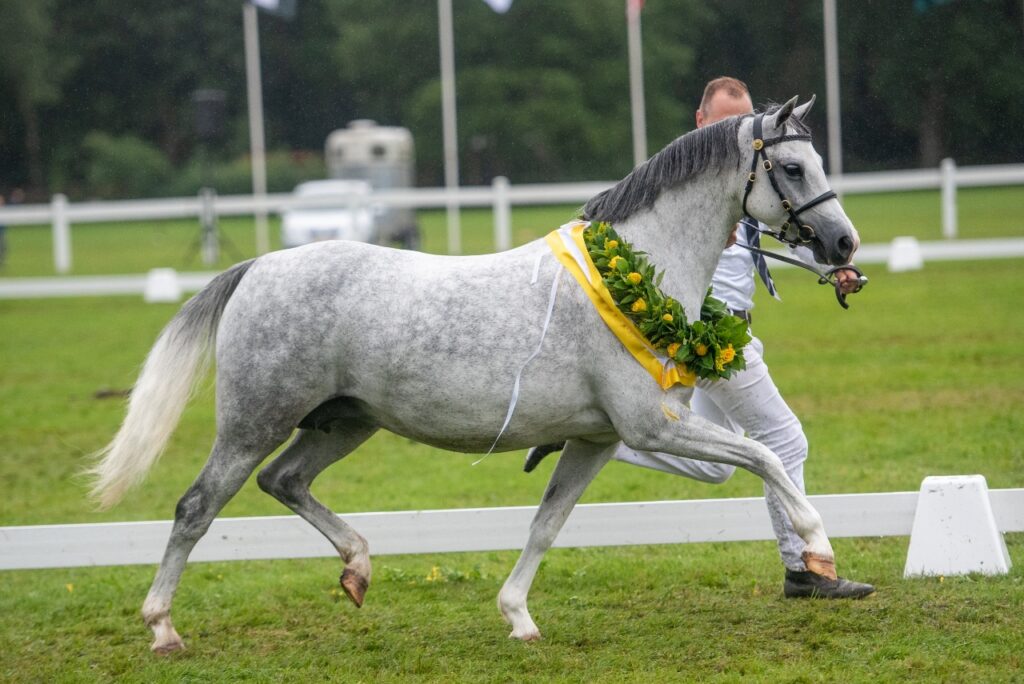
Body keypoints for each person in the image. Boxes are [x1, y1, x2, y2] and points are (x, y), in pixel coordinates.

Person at [525, 77, 873, 600]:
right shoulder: (685, 184)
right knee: (783, 437)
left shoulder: (754, 180)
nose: (742, 129)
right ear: (701, 122)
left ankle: (581, 433)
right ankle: (802, 568)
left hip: (734, 328)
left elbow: (789, 225)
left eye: (747, 118)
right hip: (707, 332)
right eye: (729, 120)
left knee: (712, 465)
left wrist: (832, 264)